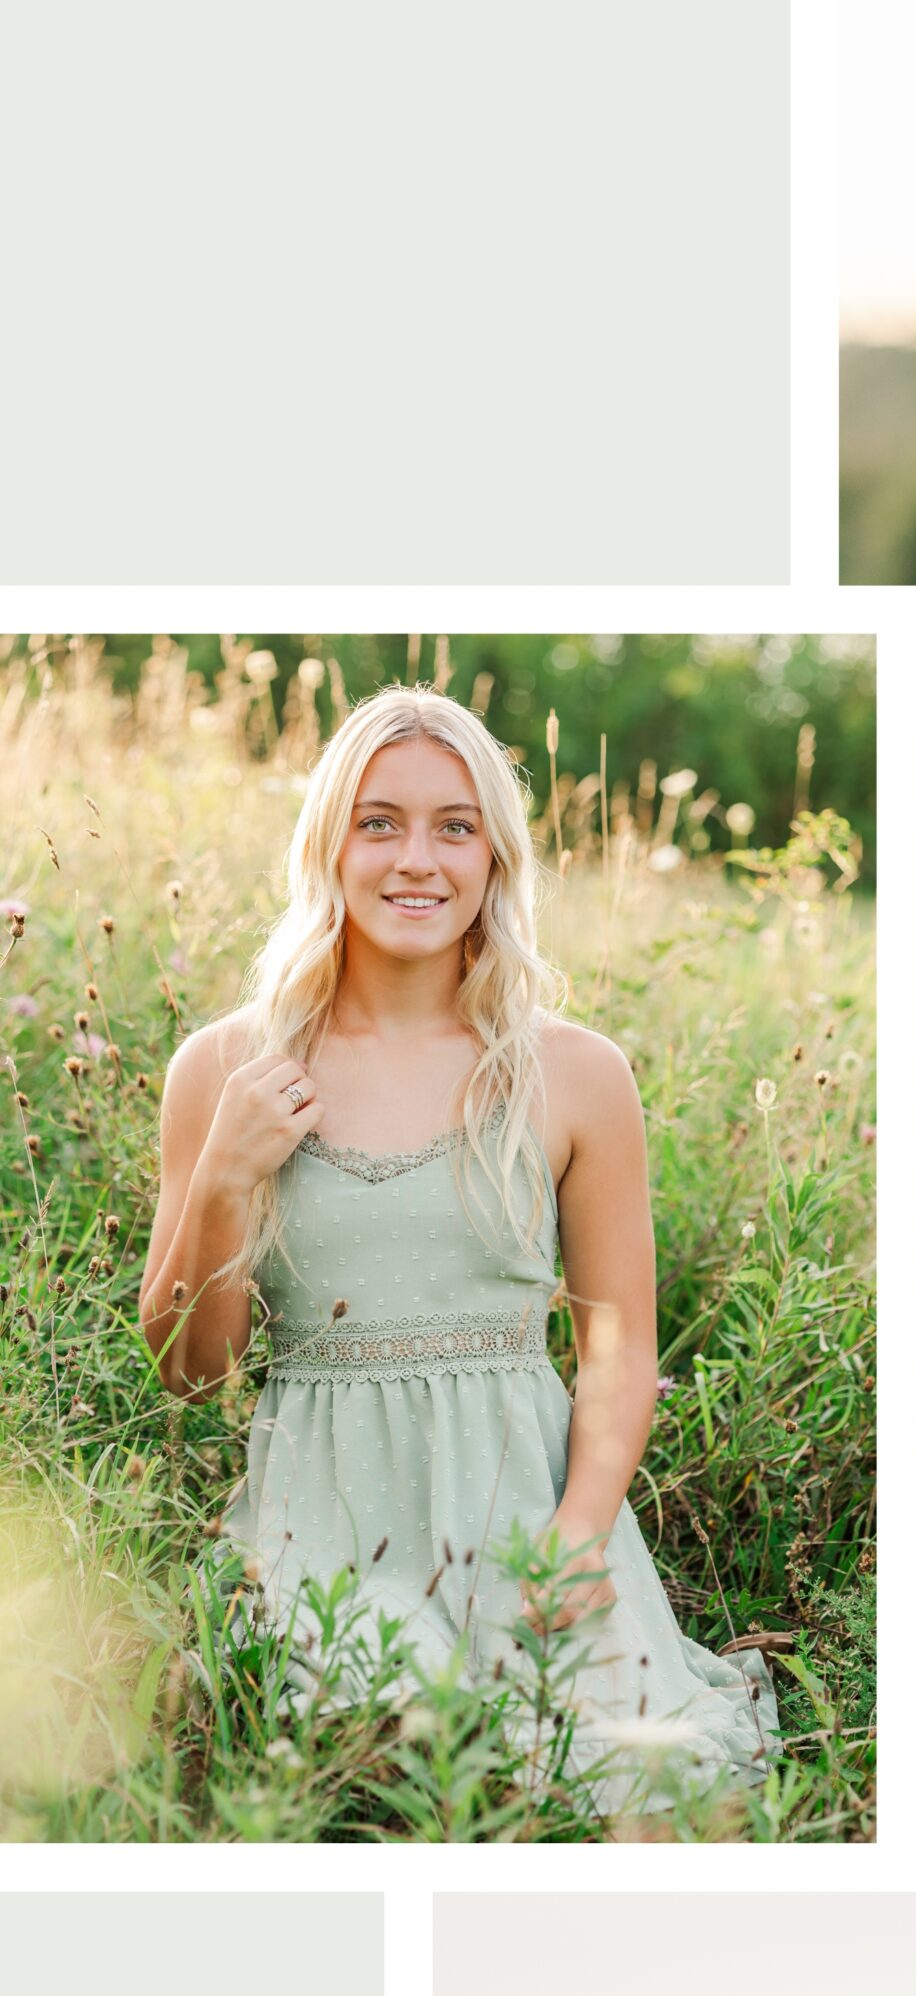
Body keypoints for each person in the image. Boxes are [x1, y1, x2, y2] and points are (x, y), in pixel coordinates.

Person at [139, 684, 773, 1797]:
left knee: (591, 1774)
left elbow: (620, 1351)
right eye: (378, 822)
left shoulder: (576, 1074)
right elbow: (194, 1374)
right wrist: (226, 1175)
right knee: (381, 1756)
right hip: (327, 1540)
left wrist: (578, 1539)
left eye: (454, 825)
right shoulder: (225, 1069)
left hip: (526, 1523)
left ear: (496, 858)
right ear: (328, 844)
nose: (415, 859)